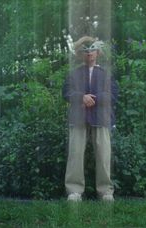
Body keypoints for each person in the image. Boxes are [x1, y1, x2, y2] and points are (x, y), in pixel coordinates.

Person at [62, 36, 118, 202]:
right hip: (78, 118)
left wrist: (94, 99)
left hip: (101, 118)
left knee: (103, 155)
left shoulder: (106, 74)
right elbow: (66, 92)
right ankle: (74, 191)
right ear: (81, 54)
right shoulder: (74, 73)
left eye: (92, 50)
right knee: (75, 154)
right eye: (85, 51)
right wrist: (81, 97)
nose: (89, 54)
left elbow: (113, 95)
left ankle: (106, 192)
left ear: (98, 52)